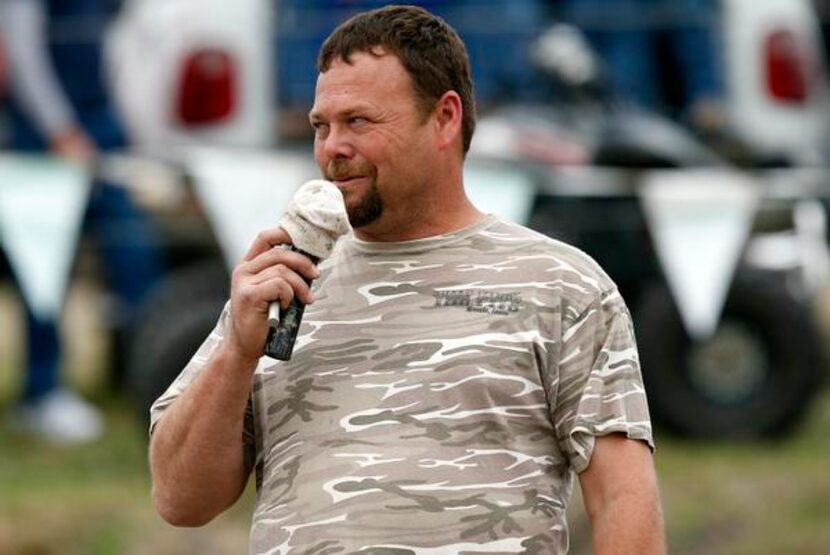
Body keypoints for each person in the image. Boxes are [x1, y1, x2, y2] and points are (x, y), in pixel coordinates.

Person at [149, 5, 665, 553]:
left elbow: (620, 500)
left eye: (359, 122)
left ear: (444, 118)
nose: (332, 148)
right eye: (321, 126)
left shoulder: (564, 285)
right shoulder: (283, 281)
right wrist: (237, 353)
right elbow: (181, 501)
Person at [0, 0, 164, 443]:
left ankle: (158, 380)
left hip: (103, 125)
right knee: (44, 267)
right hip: (44, 137)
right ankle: (41, 391)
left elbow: (123, 44)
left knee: (133, 254)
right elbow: (22, 52)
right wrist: (59, 129)